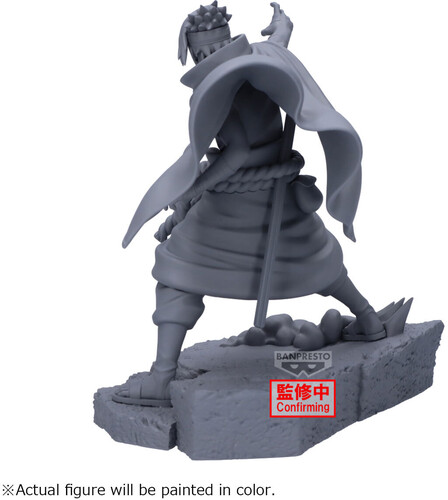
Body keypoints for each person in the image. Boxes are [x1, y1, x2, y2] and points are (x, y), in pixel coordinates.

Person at [113, 2, 385, 407]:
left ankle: (161, 378)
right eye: (203, 52)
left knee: (177, 270)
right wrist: (283, 26)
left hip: (239, 202)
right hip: (277, 194)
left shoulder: (221, 87)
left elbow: (237, 150)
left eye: (206, 51)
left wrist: (194, 188)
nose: (207, 57)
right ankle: (368, 319)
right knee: (314, 258)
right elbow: (278, 48)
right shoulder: (260, 61)